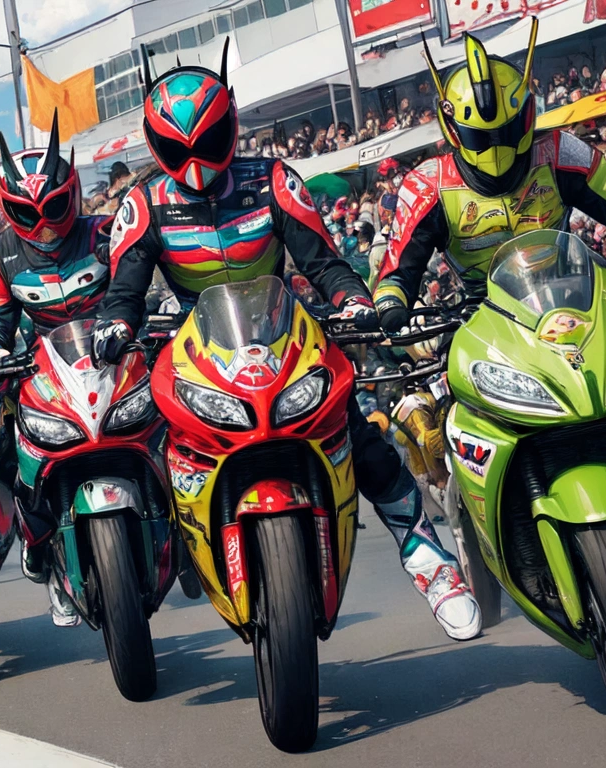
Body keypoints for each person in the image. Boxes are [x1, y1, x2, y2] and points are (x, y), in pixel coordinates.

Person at [93, 41, 482, 641]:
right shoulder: (142, 205)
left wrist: (353, 300)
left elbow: (323, 262)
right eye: (178, 148)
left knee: (356, 434)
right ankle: (162, 552)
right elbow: (124, 291)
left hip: (282, 335)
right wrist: (116, 327)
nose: (195, 159)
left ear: (230, 124)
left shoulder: (273, 179)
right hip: (195, 351)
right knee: (154, 445)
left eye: (207, 140)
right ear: (155, 144)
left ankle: (430, 561)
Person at [375, 18, 606, 334]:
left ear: (527, 113)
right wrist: (390, 308)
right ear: (453, 128)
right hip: (487, 328)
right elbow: (397, 273)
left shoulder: (560, 152)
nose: (497, 148)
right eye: (480, 137)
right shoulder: (428, 184)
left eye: (508, 132)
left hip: (575, 306)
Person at [0, 112, 114, 627]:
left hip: (115, 359)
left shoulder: (105, 232)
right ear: (6, 209)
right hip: (45, 371)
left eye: (54, 207)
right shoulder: (1, 258)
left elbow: (139, 284)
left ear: (71, 194)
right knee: (15, 457)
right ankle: (44, 548)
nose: (45, 224)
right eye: (27, 213)